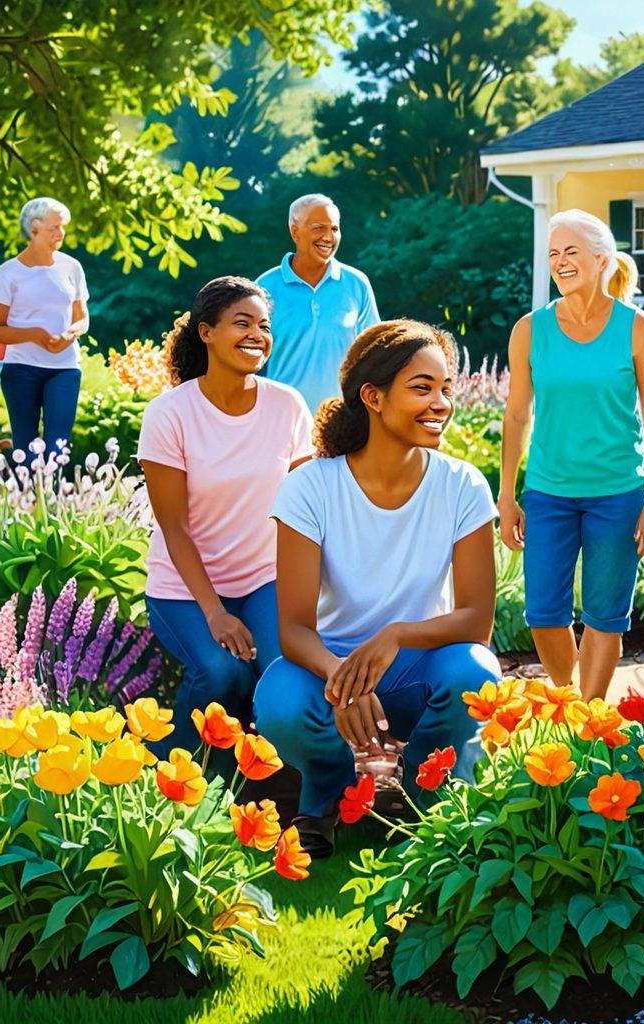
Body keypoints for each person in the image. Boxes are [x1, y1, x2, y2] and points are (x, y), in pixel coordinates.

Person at [253, 319, 501, 857]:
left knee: (476, 673)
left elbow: (477, 620)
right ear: (373, 397)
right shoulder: (310, 487)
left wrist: (397, 635)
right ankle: (326, 790)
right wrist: (341, 678)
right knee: (277, 701)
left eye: (445, 388)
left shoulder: (463, 485)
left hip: (418, 668)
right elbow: (294, 628)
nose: (440, 403)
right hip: (330, 666)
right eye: (421, 388)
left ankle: (426, 789)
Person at [138, 277, 315, 768]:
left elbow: (304, 508)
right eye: (243, 323)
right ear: (207, 332)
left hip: (263, 579)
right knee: (222, 674)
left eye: (264, 325)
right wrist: (214, 612)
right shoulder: (170, 414)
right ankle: (177, 773)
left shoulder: (288, 405)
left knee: (284, 673)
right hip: (184, 590)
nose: (257, 333)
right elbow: (174, 527)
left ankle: (283, 773)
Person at [499, 209, 644, 700]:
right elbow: (516, 417)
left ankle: (591, 722)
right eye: (554, 254)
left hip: (617, 493)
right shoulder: (530, 330)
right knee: (544, 614)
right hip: (548, 493)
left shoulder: (637, 330)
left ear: (601, 259)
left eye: (571, 251)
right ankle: (568, 699)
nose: (560, 262)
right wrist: (507, 495)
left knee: (605, 615)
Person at [0, 198, 89, 455]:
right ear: (34, 228)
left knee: (58, 448)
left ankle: (54, 497)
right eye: (53, 227)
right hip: (21, 369)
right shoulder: (8, 273)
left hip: (64, 368)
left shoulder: (72, 267)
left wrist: (69, 334)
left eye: (62, 227)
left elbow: (82, 318)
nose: (60, 234)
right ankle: (26, 496)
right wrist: (34, 335)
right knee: (26, 449)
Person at [258, 194, 380, 413]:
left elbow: (375, 354)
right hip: (279, 420)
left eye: (334, 229)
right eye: (318, 228)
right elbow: (251, 361)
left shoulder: (357, 284)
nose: (328, 237)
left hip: (344, 420)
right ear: (295, 231)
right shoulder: (264, 288)